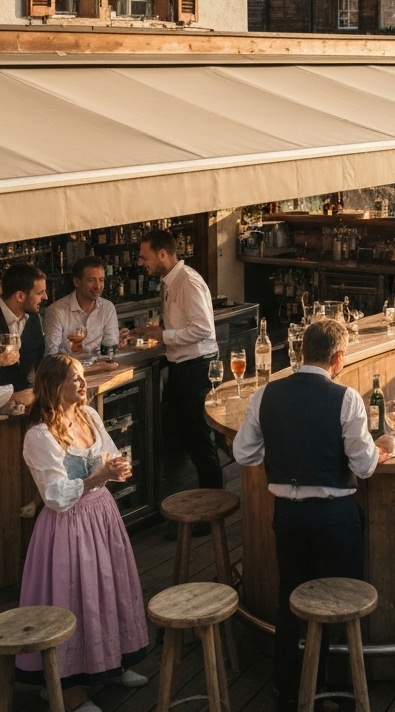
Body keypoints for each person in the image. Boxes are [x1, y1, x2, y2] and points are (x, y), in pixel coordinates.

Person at [233, 318, 391, 712]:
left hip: (287, 515)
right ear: (338, 358)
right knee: (340, 601)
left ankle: (289, 690)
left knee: (291, 600)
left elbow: (243, 454)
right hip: (335, 517)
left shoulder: (265, 394)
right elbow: (365, 465)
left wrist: (285, 452)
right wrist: (382, 447)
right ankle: (336, 688)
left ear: (301, 353)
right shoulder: (347, 398)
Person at [17, 355, 149, 712]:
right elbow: (56, 495)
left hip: (101, 515)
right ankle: (72, 691)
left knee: (109, 590)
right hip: (68, 527)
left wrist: (116, 467)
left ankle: (113, 663)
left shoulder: (88, 415)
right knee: (76, 598)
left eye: (82, 376)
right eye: (74, 378)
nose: (82, 383)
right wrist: (96, 478)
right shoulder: (39, 435)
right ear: (53, 386)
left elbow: (109, 453)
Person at [138, 228, 222, 489]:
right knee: (183, 435)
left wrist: (164, 335)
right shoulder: (170, 281)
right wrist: (154, 332)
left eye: (145, 257)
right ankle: (186, 496)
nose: (142, 263)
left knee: (198, 438)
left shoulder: (188, 282)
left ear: (162, 254)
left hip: (195, 368)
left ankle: (212, 504)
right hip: (181, 368)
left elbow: (202, 329)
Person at [44, 258, 128, 364]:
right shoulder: (56, 311)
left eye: (101, 280)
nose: (98, 286)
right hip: (67, 375)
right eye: (91, 280)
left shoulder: (107, 308)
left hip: (101, 371)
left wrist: (116, 344)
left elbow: (109, 349)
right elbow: (51, 356)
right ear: (77, 282)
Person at [0, 263, 47, 391]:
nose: (45, 297)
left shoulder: (32, 317)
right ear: (20, 296)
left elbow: (38, 357)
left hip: (24, 396)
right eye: (40, 293)